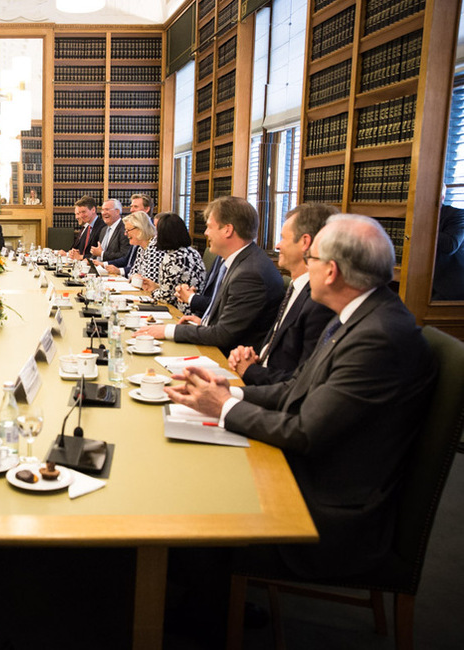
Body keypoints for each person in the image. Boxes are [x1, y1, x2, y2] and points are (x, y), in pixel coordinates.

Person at [165, 214, 437, 580]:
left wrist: (223, 407)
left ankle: (200, 614)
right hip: (318, 470)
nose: (304, 267)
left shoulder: (380, 336)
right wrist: (229, 391)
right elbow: (298, 388)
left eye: (313, 259)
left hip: (330, 509)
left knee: (193, 505)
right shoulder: (360, 315)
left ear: (332, 272)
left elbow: (306, 432)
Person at [138, 196, 284, 356]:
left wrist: (167, 330)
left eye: (209, 227)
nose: (206, 233)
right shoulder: (233, 261)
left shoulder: (250, 273)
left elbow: (224, 335)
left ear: (227, 230)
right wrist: (204, 323)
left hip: (229, 359)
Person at [228, 203, 337, 385]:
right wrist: (252, 357)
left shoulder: (319, 301)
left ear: (305, 242)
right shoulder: (297, 287)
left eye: (282, 238)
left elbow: (303, 383)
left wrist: (250, 371)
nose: (277, 246)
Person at [142, 213, 205, 313]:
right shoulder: (192, 252)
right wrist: (156, 286)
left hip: (180, 310)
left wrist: (152, 293)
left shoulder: (173, 258)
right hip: (196, 308)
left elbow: (166, 297)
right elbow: (173, 286)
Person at [103, 211, 161, 281]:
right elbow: (132, 274)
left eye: (128, 230)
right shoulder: (141, 248)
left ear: (140, 229)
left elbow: (149, 281)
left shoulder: (155, 248)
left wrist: (136, 278)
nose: (125, 234)